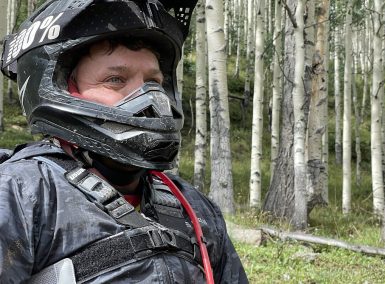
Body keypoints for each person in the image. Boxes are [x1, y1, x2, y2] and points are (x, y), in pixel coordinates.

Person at [0, 0, 248, 283]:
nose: (150, 100)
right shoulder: (23, 193)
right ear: (60, 88)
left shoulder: (195, 208)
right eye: (116, 79)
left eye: (153, 82)